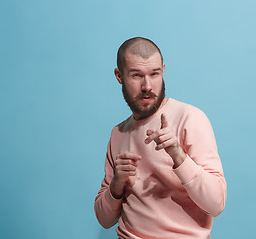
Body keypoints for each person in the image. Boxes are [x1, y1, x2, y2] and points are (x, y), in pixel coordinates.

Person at [94, 37, 227, 239]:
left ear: (163, 70)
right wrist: (117, 183)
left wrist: (178, 156)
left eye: (154, 74)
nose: (147, 86)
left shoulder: (190, 118)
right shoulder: (118, 133)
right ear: (119, 76)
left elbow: (216, 204)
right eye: (137, 75)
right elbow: (104, 220)